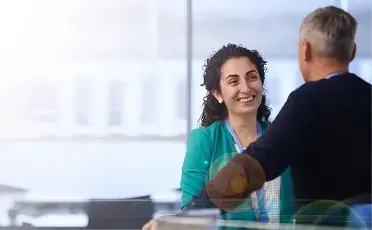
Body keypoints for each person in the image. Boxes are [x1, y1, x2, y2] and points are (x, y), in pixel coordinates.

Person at [186, 6, 371, 227]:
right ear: (352, 52)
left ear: (305, 50)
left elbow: (258, 163)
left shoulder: (307, 101)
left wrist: (190, 214)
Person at [142, 44, 294, 230]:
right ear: (218, 94)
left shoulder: (282, 136)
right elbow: (191, 215)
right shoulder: (204, 141)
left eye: (252, 77)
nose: (246, 88)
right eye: (233, 81)